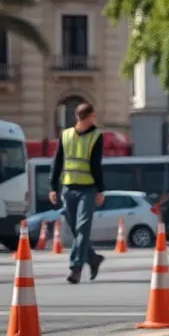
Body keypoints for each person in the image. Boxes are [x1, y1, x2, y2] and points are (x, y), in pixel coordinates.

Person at [48, 102, 105, 284]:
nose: (94, 119)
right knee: (76, 231)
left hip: (87, 189)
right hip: (68, 189)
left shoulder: (96, 136)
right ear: (85, 117)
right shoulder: (65, 135)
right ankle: (93, 258)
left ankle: (75, 268)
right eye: (92, 116)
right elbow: (57, 162)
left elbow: (96, 166)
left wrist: (99, 190)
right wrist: (52, 187)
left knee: (82, 228)